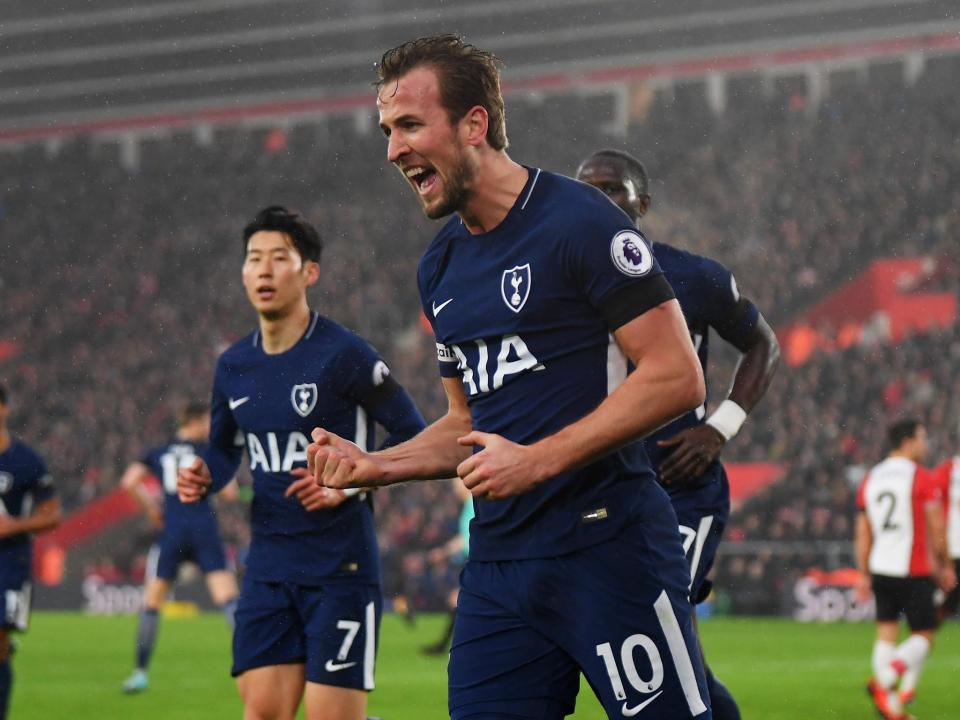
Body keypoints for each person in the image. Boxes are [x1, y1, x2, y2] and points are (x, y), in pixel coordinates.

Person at [309, 35, 713, 719]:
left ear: (475, 124)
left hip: (607, 546)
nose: (393, 150)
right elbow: (467, 425)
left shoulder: (579, 222)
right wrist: (376, 465)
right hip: (500, 570)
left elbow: (678, 376)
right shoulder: (439, 268)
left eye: (410, 124)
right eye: (387, 130)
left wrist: (537, 461)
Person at [176, 206, 425, 720]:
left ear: (309, 271)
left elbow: (414, 435)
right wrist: (205, 475)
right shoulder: (233, 366)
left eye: (278, 258)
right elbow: (224, 452)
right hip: (268, 568)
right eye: (253, 259)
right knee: (263, 713)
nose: (263, 270)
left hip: (342, 568)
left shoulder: (345, 355)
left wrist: (352, 484)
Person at [576, 149, 781, 720]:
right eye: (586, 189)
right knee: (655, 648)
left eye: (612, 188)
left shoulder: (692, 276)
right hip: (600, 488)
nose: (599, 199)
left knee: (656, 616)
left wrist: (720, 428)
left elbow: (764, 343)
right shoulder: (558, 289)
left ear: (643, 203)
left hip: (680, 487)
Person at [120, 400, 239, 694]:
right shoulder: (207, 452)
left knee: (152, 603)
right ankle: (250, 664)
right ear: (196, 422)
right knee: (228, 598)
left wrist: (151, 509)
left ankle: (139, 673)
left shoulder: (159, 452)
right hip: (203, 527)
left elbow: (129, 482)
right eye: (207, 422)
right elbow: (231, 495)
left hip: (172, 529)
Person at [855, 419, 956, 720]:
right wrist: (946, 565)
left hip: (880, 567)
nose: (926, 444)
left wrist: (864, 571)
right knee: (924, 635)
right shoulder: (921, 477)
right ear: (908, 441)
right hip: (913, 569)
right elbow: (937, 527)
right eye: (923, 437)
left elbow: (863, 533)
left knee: (886, 633)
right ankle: (883, 681)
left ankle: (891, 707)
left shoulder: (871, 478)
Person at [0, 383, 61, 720]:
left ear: (4, 409)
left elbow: (52, 514)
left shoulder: (26, 461)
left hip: (9, 561)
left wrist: (14, 525)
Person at [421, 479, 472, 656]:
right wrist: (442, 552)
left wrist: (444, 553)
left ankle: (449, 646)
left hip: (477, 563)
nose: (454, 488)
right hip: (472, 562)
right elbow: (464, 538)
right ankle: (448, 646)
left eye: (456, 484)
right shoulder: (468, 505)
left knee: (457, 600)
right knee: (458, 601)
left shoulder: (473, 504)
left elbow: (470, 539)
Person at [931, 453, 960, 620]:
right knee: (947, 591)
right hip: (952, 545)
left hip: (952, 545)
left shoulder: (949, 469)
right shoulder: (949, 469)